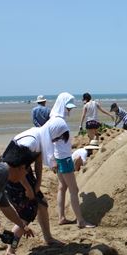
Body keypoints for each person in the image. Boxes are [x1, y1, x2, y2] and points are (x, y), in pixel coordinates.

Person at [1, 117, 70, 255]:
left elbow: (38, 160)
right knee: (25, 215)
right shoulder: (30, 141)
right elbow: (15, 167)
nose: (55, 142)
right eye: (56, 139)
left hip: (25, 175)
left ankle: (48, 238)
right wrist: (28, 188)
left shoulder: (40, 137)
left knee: (42, 205)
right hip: (13, 178)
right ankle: (10, 250)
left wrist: (38, 182)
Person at [51, 93, 96, 228]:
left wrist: (51, 159)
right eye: (68, 107)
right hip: (64, 159)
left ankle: (61, 217)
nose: (70, 110)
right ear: (62, 105)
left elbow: (51, 141)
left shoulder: (54, 118)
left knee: (62, 187)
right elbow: (48, 140)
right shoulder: (59, 121)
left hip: (58, 158)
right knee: (74, 190)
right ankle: (81, 221)